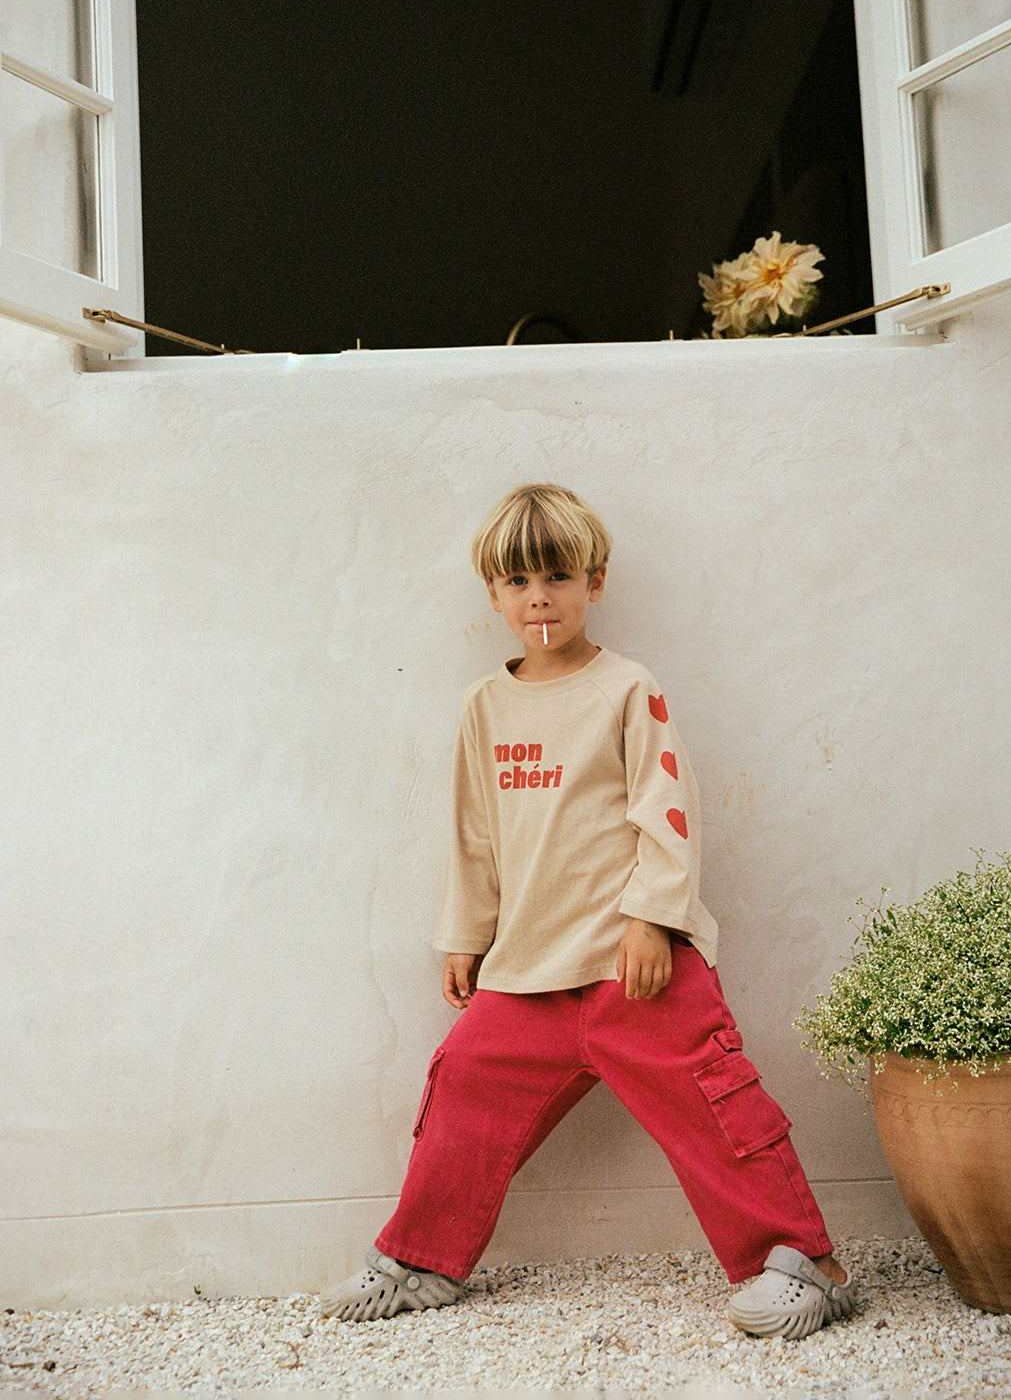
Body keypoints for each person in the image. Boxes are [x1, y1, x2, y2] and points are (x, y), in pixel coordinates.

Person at [321, 484, 853, 1340]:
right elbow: (473, 832)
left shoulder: (627, 688)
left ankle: (805, 1266)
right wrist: (465, 934)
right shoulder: (484, 707)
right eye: (520, 582)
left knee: (715, 1103)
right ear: (493, 595)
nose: (540, 597)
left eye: (559, 577)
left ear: (595, 582)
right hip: (529, 966)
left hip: (634, 966)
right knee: (462, 1085)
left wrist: (652, 919)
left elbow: (668, 807)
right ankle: (423, 1259)